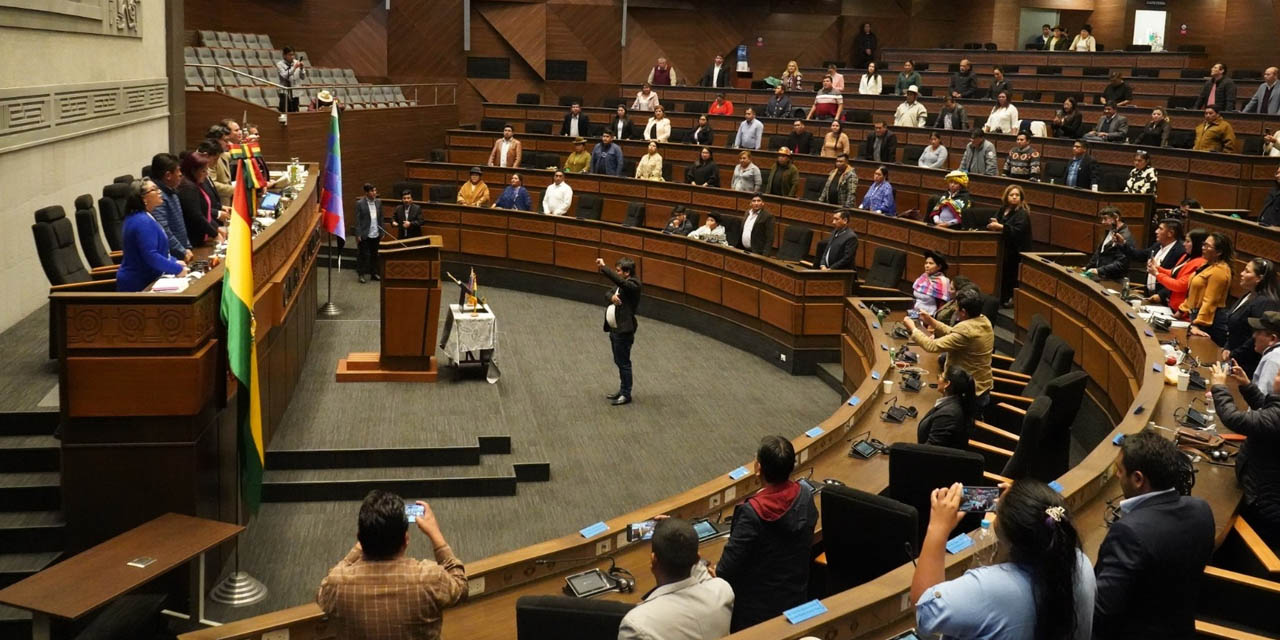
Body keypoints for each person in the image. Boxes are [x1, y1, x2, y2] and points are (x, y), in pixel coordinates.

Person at [913, 479, 1095, 639]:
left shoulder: (987, 590)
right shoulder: (1081, 564)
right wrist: (1022, 503)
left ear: (1007, 536)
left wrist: (938, 528)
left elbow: (924, 608)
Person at [1092, 430, 1214, 640]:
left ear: (1138, 479)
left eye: (1119, 470)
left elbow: (1101, 611)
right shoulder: (1201, 510)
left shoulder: (1129, 533)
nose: (1118, 476)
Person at [318, 491, 466, 640]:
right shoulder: (431, 579)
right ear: (405, 540)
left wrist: (359, 547)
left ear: (360, 539)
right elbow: (461, 587)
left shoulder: (336, 585)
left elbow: (322, 596)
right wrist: (435, 533)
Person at [716, 435, 817, 631]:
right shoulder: (804, 494)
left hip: (755, 615)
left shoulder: (751, 512)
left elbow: (725, 570)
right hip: (795, 599)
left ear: (758, 469)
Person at [617, 518, 733, 640]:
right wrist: (676, 530)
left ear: (653, 560)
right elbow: (702, 573)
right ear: (697, 558)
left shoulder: (636, 625)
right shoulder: (722, 590)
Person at [1209, 360, 1280, 549]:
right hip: (1263, 491)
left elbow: (1233, 419)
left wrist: (1218, 386)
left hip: (1265, 504)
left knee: (1250, 552)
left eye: (1279, 375)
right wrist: (1246, 385)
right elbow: (1268, 408)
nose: (1275, 377)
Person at [904, 287, 994, 409]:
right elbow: (953, 332)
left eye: (956, 307)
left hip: (969, 394)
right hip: (981, 386)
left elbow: (932, 346)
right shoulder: (983, 320)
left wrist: (913, 329)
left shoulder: (966, 331)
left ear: (963, 312)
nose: (955, 310)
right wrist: (931, 321)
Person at [117, 180, 188, 292]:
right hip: (139, 285)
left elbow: (159, 251)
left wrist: (174, 261)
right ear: (143, 198)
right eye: (154, 189)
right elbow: (151, 255)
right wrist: (177, 269)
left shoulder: (143, 216)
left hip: (148, 279)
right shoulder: (141, 221)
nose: (160, 191)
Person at [1223, 259, 1280, 376]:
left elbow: (1258, 336)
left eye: (1247, 271)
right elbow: (1234, 327)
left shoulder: (1266, 302)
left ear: (1259, 278)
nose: (1241, 273)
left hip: (1247, 365)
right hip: (1234, 359)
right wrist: (1227, 347)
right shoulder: (1249, 295)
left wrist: (1234, 354)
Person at [597, 256, 641, 406]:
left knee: (624, 363)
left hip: (624, 331)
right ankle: (622, 390)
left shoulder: (633, 285)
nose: (617, 273)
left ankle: (626, 394)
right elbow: (607, 293)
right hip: (615, 329)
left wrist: (604, 267)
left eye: (618, 271)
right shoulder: (621, 286)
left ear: (627, 272)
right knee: (619, 361)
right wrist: (612, 297)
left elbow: (619, 282)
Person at [1182, 232, 1234, 345]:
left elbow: (1210, 301)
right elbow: (1194, 291)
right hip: (1197, 315)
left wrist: (1197, 323)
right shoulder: (1207, 265)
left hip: (1210, 322)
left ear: (1219, 252)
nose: (1203, 248)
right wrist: (1182, 309)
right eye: (1203, 244)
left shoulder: (1220, 271)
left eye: (1207, 246)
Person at [988, 184, 1033, 304]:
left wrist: (1000, 227)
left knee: (1010, 275)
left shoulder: (1022, 213)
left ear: (1021, 198)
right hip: (1003, 248)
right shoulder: (1003, 210)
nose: (1014, 197)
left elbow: (1018, 231)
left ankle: (1008, 298)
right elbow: (996, 221)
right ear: (1006, 196)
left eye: (1017, 195)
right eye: (1011, 195)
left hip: (1015, 251)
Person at [1149, 227, 1208, 310]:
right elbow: (1174, 273)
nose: (1184, 244)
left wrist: (1157, 274)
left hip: (1182, 310)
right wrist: (1157, 268)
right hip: (1172, 305)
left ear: (1197, 244)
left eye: (1188, 241)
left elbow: (1179, 285)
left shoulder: (1200, 263)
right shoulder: (1186, 257)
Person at [917, 367, 976, 449]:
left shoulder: (948, 415)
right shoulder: (956, 402)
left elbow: (930, 450)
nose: (938, 378)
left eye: (940, 376)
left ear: (947, 384)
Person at [150, 153, 194, 262]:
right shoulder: (158, 198)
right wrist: (182, 251)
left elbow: (180, 225)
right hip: (169, 258)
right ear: (168, 175)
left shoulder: (172, 191)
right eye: (178, 171)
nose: (180, 175)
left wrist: (187, 247)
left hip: (181, 254)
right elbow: (164, 230)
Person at [175, 153, 224, 248]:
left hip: (201, 237)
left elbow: (205, 213)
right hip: (193, 239)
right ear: (193, 171)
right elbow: (196, 216)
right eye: (203, 171)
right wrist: (215, 234)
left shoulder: (197, 184)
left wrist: (216, 228)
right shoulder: (188, 187)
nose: (206, 174)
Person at [1129, 218, 1185, 297]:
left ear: (1170, 233)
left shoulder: (1180, 252)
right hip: (1148, 294)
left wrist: (1161, 296)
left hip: (1163, 299)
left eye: (1160, 229)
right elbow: (1139, 256)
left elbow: (1176, 279)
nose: (1156, 231)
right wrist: (1123, 244)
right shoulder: (1157, 246)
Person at [1084, 208, 1134, 279]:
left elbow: (1121, 263)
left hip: (1114, 280)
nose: (1102, 222)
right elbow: (1099, 252)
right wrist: (1088, 267)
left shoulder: (1124, 236)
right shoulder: (1110, 231)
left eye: (1105, 219)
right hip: (1102, 276)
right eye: (1102, 219)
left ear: (1116, 217)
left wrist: (1099, 270)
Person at [352, 183, 382, 284]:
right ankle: (361, 274)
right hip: (365, 233)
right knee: (363, 255)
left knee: (375, 254)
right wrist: (358, 234)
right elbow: (357, 220)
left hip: (375, 233)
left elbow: (381, 218)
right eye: (372, 191)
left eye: (375, 191)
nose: (374, 193)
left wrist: (381, 231)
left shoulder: (378, 202)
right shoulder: (360, 203)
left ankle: (374, 273)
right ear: (366, 193)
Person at [912, 250, 952, 315]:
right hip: (915, 312)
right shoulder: (923, 277)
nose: (927, 266)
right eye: (926, 263)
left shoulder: (943, 282)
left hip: (930, 316)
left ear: (939, 266)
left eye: (931, 263)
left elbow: (942, 306)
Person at [276, 46, 306, 112]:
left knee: (295, 112)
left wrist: (301, 69)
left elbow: (303, 77)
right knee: (285, 112)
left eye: (293, 55)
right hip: (285, 92)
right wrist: (294, 68)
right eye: (290, 55)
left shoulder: (296, 62)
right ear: (284, 55)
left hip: (295, 92)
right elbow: (285, 75)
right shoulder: (280, 64)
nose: (292, 57)